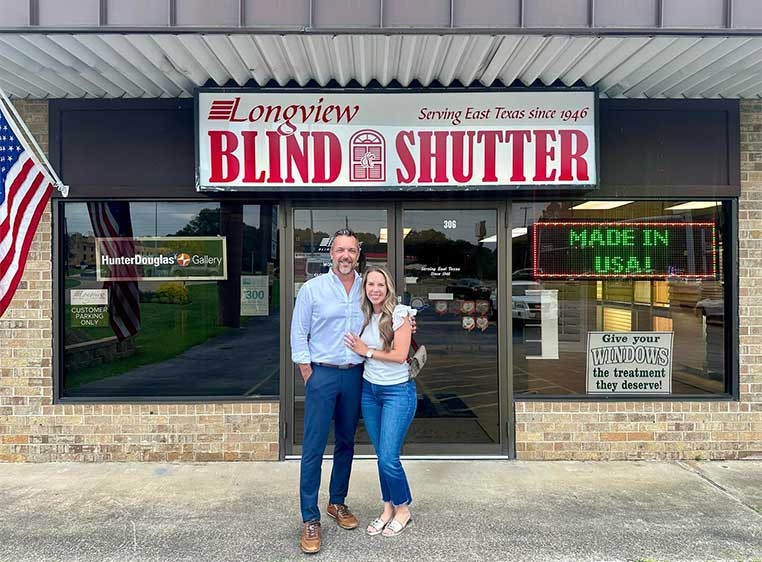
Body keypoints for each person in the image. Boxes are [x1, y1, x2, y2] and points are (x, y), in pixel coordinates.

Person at [291, 228, 364, 554]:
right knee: (314, 446)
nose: (345, 255)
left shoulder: (369, 287)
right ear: (330, 254)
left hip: (355, 375)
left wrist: (409, 324)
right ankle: (310, 517)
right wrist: (308, 371)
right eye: (339, 250)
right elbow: (298, 332)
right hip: (321, 374)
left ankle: (338, 502)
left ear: (358, 254)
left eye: (351, 250)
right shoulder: (313, 289)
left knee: (347, 442)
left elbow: (389, 319)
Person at [343, 265, 417, 538]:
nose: (375, 289)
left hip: (397, 392)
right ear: (364, 289)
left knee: (388, 457)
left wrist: (367, 351)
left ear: (388, 289)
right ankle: (388, 508)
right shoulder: (364, 316)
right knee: (382, 456)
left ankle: (404, 509)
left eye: (380, 285)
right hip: (370, 392)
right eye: (370, 284)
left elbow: (399, 355)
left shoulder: (400, 314)